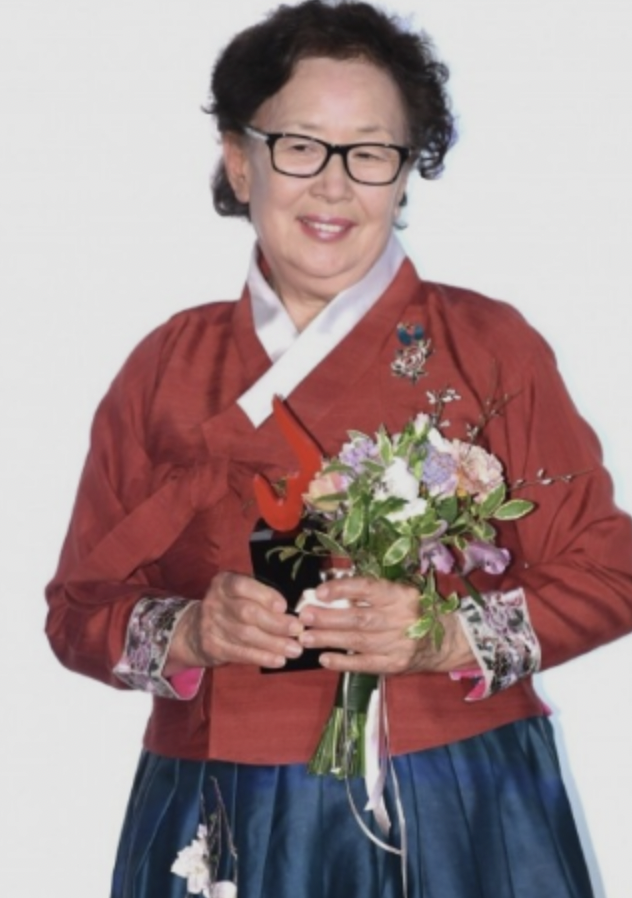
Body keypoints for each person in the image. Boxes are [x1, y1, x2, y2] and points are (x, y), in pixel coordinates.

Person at [45, 2, 632, 897]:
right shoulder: (166, 366)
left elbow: (612, 573)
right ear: (239, 161)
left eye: (369, 152)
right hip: (222, 793)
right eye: (300, 147)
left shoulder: (489, 347)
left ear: (405, 171)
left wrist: (445, 635)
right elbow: (77, 612)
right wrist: (192, 630)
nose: (334, 185)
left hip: (454, 792)